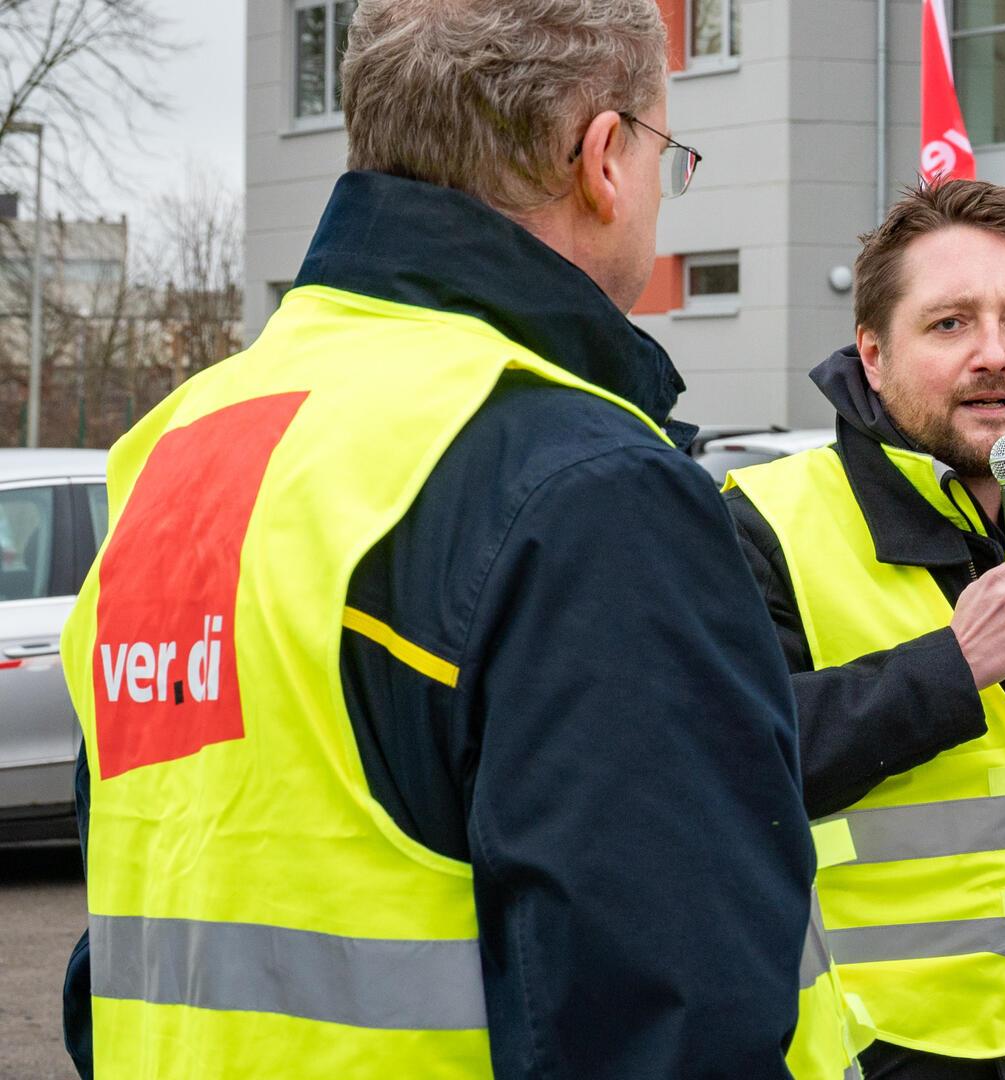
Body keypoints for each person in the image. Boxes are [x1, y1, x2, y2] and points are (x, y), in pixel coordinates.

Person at [58, 2, 810, 1077]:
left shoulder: (173, 451)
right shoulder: (582, 491)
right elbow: (672, 1029)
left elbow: (128, 927)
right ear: (602, 159)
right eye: (663, 155)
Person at [725, 180, 1005, 1079]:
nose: (994, 356)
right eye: (949, 325)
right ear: (871, 353)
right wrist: (947, 671)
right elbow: (719, 772)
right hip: (872, 1051)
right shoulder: (765, 523)